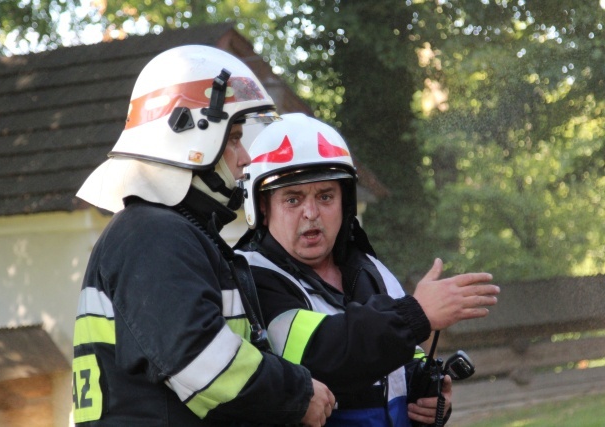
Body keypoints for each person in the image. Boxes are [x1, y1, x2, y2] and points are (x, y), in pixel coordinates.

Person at [72, 46, 335, 426]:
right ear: (189, 140)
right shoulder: (152, 235)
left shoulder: (169, 232)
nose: (245, 157)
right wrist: (297, 394)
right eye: (234, 139)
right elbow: (199, 358)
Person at [235, 113, 500, 426]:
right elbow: (322, 355)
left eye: (325, 196)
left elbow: (404, 354)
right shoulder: (249, 277)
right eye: (292, 199)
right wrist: (415, 314)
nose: (311, 213)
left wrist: (427, 393)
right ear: (261, 208)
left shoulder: (370, 268)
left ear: (345, 202)